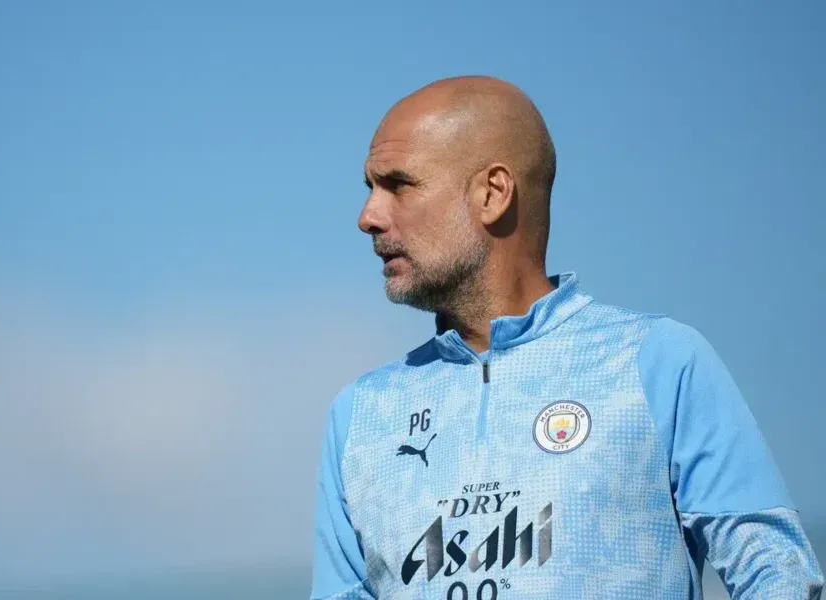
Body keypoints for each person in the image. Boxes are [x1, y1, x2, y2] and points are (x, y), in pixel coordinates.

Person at [309, 76, 823, 600]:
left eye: (398, 184)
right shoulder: (359, 415)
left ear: (493, 193)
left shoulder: (656, 362)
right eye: (370, 188)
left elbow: (777, 576)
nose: (368, 217)